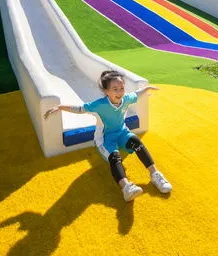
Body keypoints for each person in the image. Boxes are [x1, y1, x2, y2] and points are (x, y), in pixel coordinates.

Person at [44, 70, 172, 202]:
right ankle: (126, 188)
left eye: (121, 88)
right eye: (115, 89)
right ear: (106, 91)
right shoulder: (99, 105)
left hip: (122, 133)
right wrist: (60, 107)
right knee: (115, 157)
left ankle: (155, 174)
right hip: (105, 139)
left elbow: (135, 95)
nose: (119, 92)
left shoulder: (126, 99)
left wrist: (146, 89)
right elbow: (80, 109)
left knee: (136, 142)